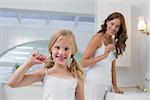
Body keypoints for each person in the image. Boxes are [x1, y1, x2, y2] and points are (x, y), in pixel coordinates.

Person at [8, 29, 85, 100]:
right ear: (51, 49)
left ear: (72, 52)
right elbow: (12, 83)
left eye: (66, 49)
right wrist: (29, 63)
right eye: (57, 47)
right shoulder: (45, 73)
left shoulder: (76, 78)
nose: (61, 53)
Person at [80, 12, 128, 100]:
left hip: (107, 85)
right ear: (107, 22)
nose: (113, 28)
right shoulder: (97, 39)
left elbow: (112, 68)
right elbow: (83, 63)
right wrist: (103, 56)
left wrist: (115, 87)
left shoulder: (113, 42)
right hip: (94, 83)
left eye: (117, 26)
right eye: (112, 23)